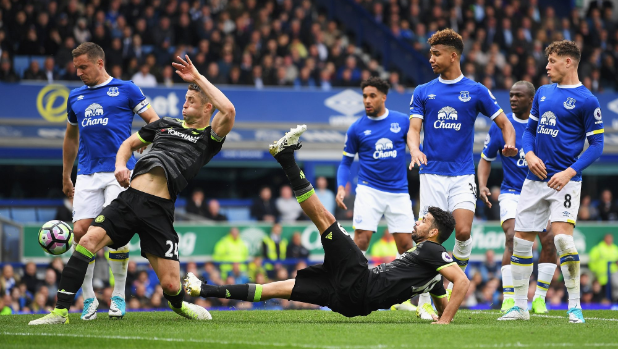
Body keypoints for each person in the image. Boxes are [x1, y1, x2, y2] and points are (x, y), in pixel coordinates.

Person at [185, 125, 469, 324]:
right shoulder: (432, 272)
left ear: (434, 233)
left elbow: (463, 281)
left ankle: (286, 159)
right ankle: (204, 290)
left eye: (423, 221)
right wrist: (442, 315)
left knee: (326, 220)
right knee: (276, 288)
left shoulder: (432, 251)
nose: (417, 222)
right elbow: (444, 296)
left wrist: (443, 322)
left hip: (360, 282)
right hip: (350, 302)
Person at [29, 53, 236, 325]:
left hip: (159, 211)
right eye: (185, 99)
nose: (184, 104)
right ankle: (60, 312)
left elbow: (229, 110)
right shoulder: (164, 125)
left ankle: (179, 305)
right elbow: (127, 145)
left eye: (191, 101)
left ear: (208, 108)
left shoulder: (209, 138)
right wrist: (119, 165)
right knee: (87, 240)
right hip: (129, 199)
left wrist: (197, 77)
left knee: (172, 285)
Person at [408, 28, 516, 319]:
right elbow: (413, 129)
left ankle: (451, 282)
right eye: (431, 53)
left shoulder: (477, 91)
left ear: (453, 55)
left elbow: (506, 122)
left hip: (461, 174)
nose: (431, 58)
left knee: (464, 231)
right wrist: (415, 150)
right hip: (431, 174)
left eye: (436, 53)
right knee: (428, 240)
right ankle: (426, 301)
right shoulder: (423, 91)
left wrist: (509, 142)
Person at [498, 41, 604, 323]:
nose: (547, 66)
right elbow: (529, 132)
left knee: (561, 240)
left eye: (553, 61)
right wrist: (529, 154)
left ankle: (574, 307)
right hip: (534, 180)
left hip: (565, 182)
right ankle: (520, 307)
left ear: (568, 62)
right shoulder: (543, 93)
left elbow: (597, 145)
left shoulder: (587, 100)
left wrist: (570, 172)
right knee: (521, 244)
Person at [61, 42, 159, 321]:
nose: (78, 72)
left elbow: (154, 121)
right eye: (76, 67)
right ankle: (89, 298)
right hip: (87, 173)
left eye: (83, 67)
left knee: (115, 232)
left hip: (119, 171)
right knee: (81, 232)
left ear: (99, 63)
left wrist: (140, 141)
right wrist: (67, 175)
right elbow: (70, 137)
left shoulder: (127, 89)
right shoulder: (75, 96)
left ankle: (118, 293)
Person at [478, 81, 558, 314]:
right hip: (512, 192)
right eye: (511, 95)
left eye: (519, 96)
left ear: (531, 100)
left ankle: (540, 298)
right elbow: (485, 158)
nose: (512, 99)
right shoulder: (501, 126)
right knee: (513, 237)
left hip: (541, 192)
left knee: (550, 240)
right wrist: (482, 185)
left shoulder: (546, 125)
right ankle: (509, 297)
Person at [336, 77, 415, 260]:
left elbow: (415, 145)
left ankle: (405, 286)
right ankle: (351, 283)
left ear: (383, 97)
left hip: (398, 191)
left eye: (372, 96)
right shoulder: (356, 128)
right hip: (368, 190)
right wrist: (341, 187)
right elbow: (345, 162)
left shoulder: (402, 121)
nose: (367, 101)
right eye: (364, 96)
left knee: (405, 245)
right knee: (362, 240)